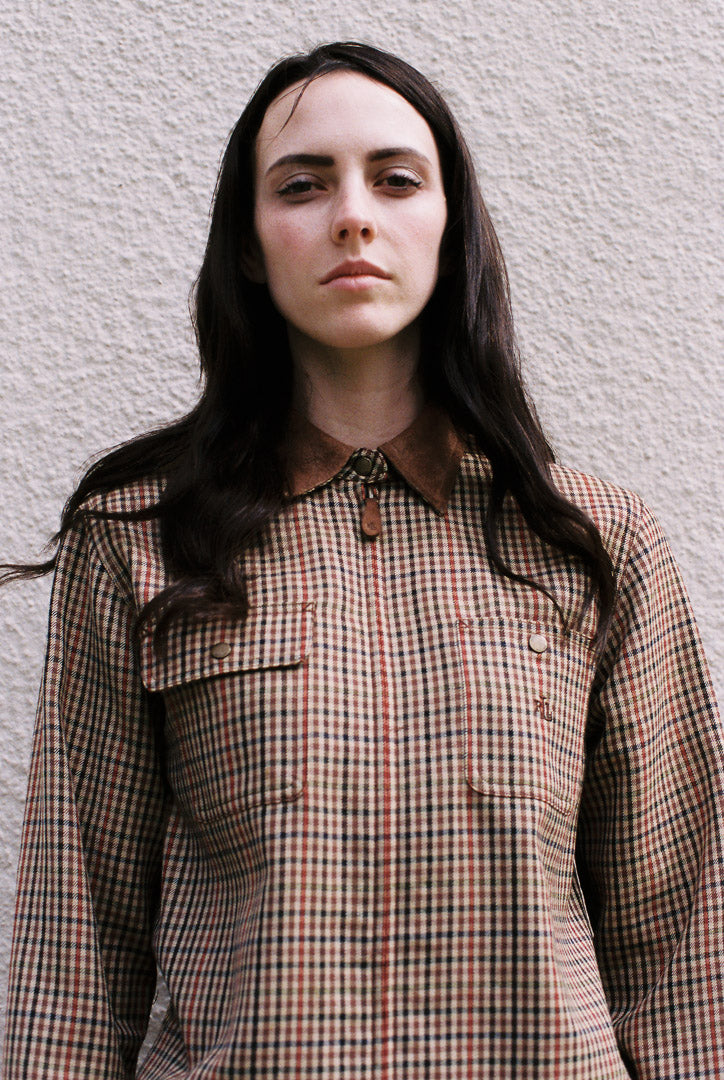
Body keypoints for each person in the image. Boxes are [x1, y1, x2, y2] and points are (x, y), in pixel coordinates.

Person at [2, 41, 722, 1080]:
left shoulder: (595, 544)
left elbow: (683, 947)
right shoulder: (139, 543)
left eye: (394, 179)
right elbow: (75, 952)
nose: (352, 215)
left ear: (448, 225)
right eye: (302, 185)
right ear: (250, 243)